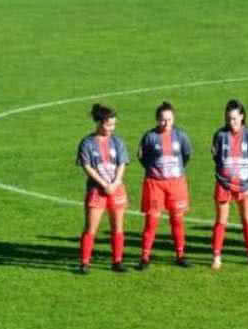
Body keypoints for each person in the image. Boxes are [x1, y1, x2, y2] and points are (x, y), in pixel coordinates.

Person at [137, 101, 193, 268]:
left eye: (169, 119)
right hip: (155, 184)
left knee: (177, 220)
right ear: (157, 119)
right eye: (162, 119)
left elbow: (187, 154)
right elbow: (142, 157)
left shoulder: (181, 136)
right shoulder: (149, 137)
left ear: (174, 119)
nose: (166, 123)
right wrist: (154, 171)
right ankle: (145, 256)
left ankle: (180, 255)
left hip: (176, 184)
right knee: (152, 221)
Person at [75, 103, 130, 274]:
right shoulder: (87, 143)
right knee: (91, 227)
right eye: (108, 124)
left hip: (117, 189)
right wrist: (104, 184)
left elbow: (122, 163)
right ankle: (84, 262)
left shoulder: (117, 141)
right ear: (98, 123)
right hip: (96, 190)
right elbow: (87, 167)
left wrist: (115, 183)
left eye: (113, 124)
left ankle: (117, 261)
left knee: (118, 227)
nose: (111, 128)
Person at [210, 99, 248, 270]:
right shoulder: (220, 135)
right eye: (228, 119)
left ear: (242, 116)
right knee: (221, 220)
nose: (231, 122)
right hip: (224, 184)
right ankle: (217, 257)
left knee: (247, 219)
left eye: (234, 118)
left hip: (244, 184)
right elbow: (217, 158)